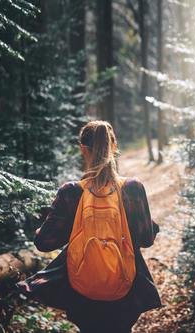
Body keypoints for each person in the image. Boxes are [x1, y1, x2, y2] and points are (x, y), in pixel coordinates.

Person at [16, 120, 161, 333]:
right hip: (125, 288)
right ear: (113, 147)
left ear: (83, 149)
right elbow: (147, 239)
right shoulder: (133, 188)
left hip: (82, 293)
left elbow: (43, 243)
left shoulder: (71, 192)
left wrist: (54, 227)